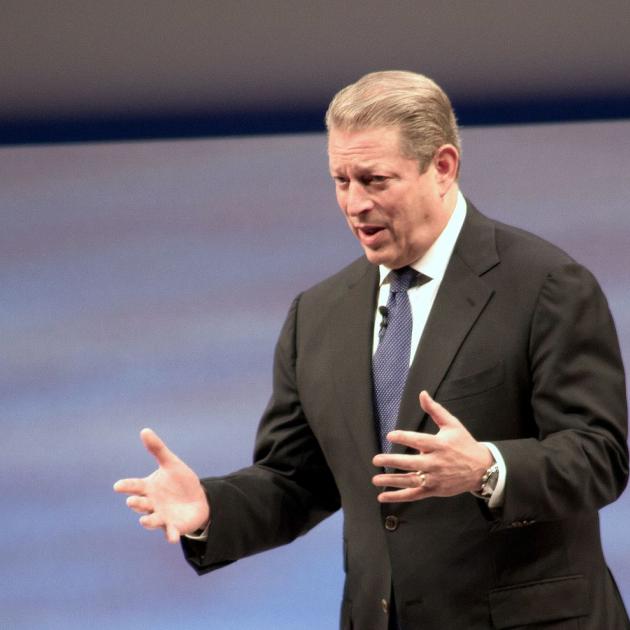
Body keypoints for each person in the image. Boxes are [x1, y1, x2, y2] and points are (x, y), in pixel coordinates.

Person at [114, 70, 629, 629]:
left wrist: (486, 467)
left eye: (374, 180)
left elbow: (600, 454)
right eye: (340, 180)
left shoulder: (545, 285)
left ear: (443, 167)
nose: (354, 204)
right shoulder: (318, 314)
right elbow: (297, 479)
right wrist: (210, 509)